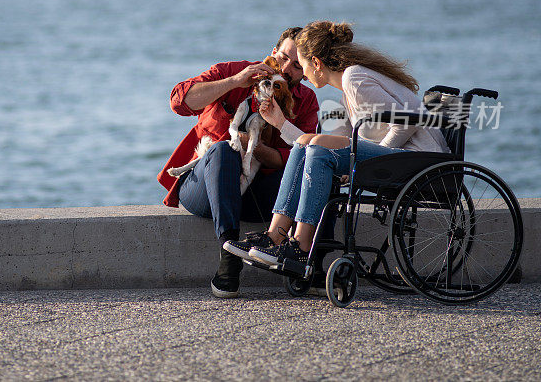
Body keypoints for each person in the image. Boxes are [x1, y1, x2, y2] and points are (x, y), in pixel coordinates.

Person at [225, 21, 449, 270]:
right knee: (307, 146)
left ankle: (300, 246)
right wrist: (279, 122)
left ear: (317, 63)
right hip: (401, 157)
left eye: (302, 65)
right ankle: (275, 236)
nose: (302, 75)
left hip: (417, 160)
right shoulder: (347, 89)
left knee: (318, 149)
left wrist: (378, 157)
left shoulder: (355, 79)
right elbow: (311, 143)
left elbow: (405, 123)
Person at [157, 27, 319, 298]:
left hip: (260, 194)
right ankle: (229, 256)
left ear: (306, 72)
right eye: (282, 59)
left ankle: (310, 264)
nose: (286, 68)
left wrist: (253, 147)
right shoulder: (237, 72)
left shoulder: (306, 100)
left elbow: (291, 158)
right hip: (206, 188)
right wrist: (234, 82)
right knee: (222, 151)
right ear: (272, 54)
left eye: (297, 65)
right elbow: (179, 101)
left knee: (315, 168)